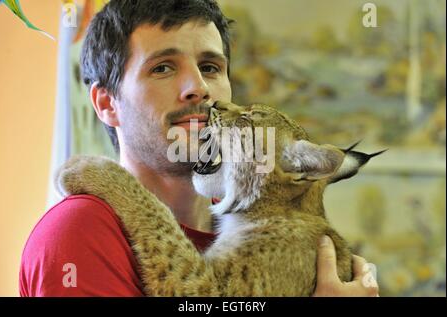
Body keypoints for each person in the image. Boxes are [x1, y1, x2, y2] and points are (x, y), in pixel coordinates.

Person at [19, 0, 379, 297]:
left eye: (210, 67)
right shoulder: (81, 231)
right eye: (162, 67)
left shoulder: (247, 228)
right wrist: (120, 187)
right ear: (107, 103)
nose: (199, 88)